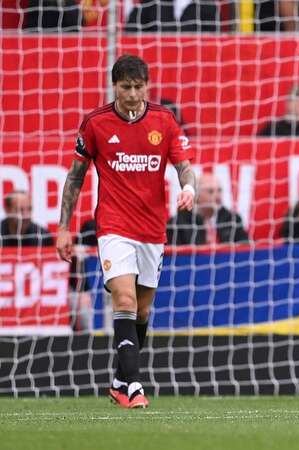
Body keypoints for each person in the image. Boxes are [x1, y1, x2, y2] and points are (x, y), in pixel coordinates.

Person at [56, 54, 196, 409]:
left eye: (138, 87)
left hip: (152, 228)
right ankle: (134, 386)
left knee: (143, 312)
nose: (132, 94)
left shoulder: (164, 120)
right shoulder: (96, 123)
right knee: (124, 301)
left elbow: (184, 166)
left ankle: (119, 381)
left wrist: (189, 188)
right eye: (125, 87)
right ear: (114, 86)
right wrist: (63, 228)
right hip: (114, 226)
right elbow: (75, 178)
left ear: (147, 86)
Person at [167, 173, 249, 245]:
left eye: (219, 190)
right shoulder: (178, 223)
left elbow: (244, 248)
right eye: (211, 191)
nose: (217, 196)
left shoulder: (232, 220)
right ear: (197, 196)